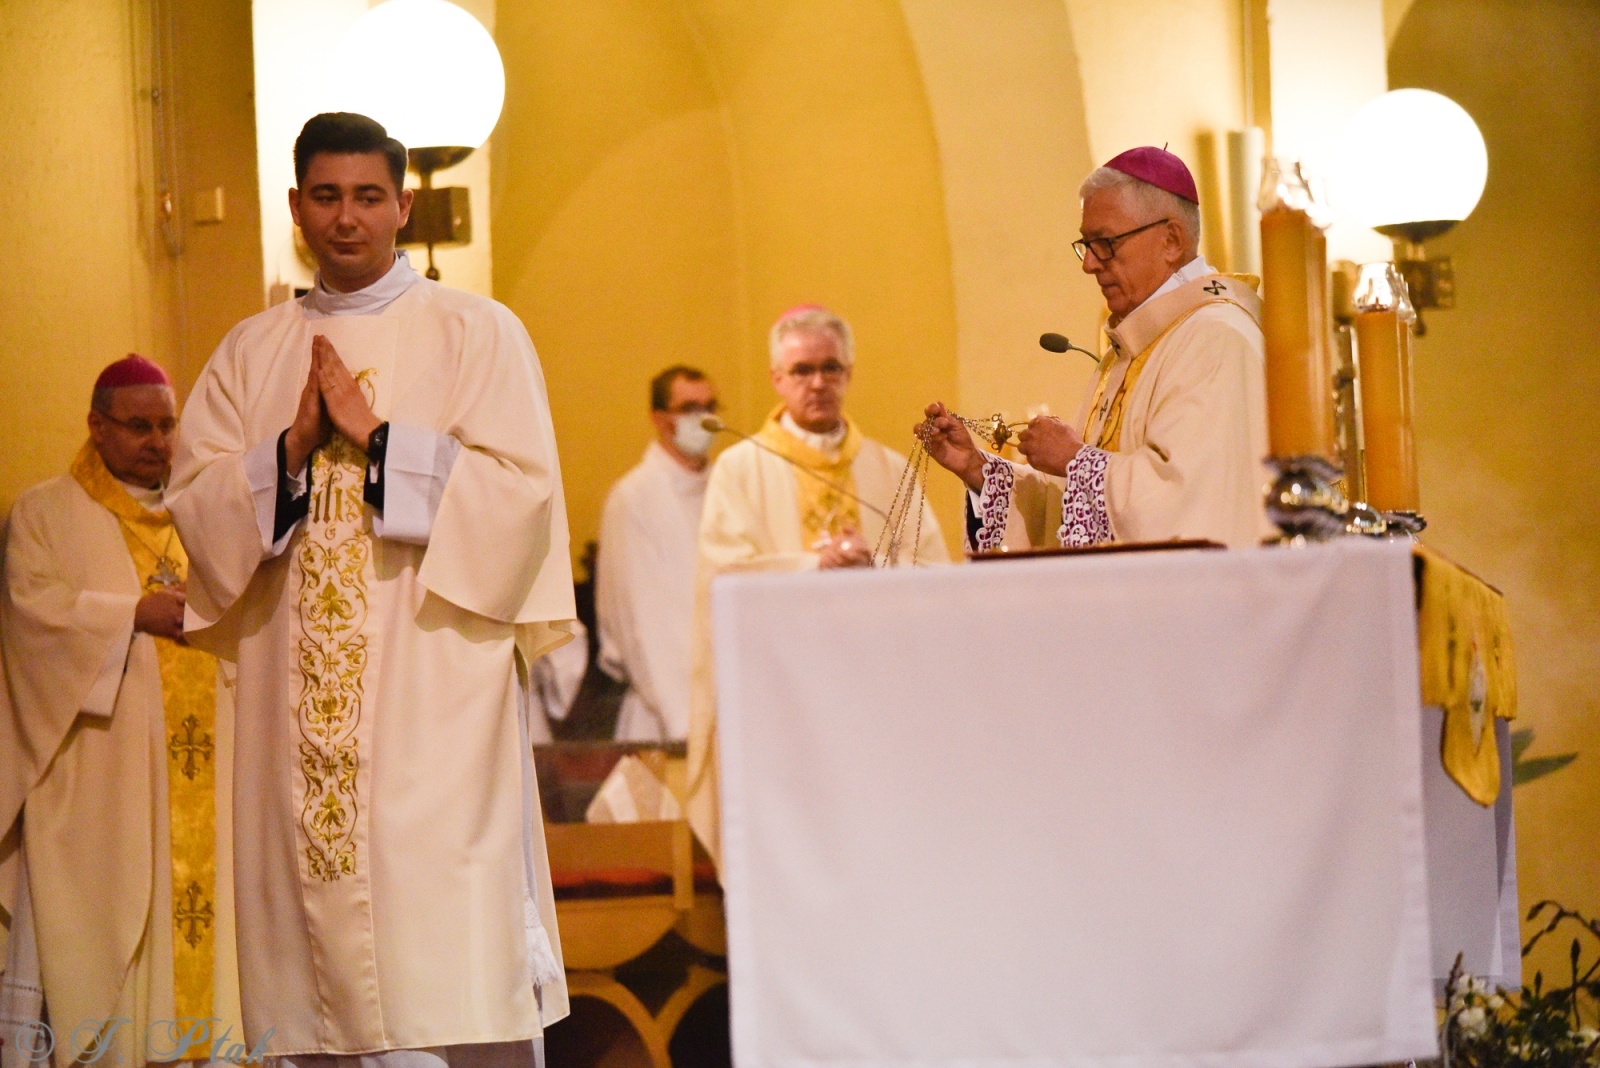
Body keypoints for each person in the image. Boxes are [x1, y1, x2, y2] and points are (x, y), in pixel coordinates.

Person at [166, 113, 574, 1063]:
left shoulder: (477, 332)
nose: (345, 218)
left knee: (432, 937)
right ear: (295, 204)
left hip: (432, 702)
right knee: (310, 984)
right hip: (289, 715)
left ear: (404, 205)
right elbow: (197, 505)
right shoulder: (250, 351)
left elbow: (523, 498)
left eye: (366, 197)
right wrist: (292, 449)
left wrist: (381, 440)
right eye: (325, 196)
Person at [0, 354, 240, 1066]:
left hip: (212, 784)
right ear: (97, 426)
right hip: (106, 791)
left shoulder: (203, 513)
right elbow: (30, 620)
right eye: (139, 426)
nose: (158, 443)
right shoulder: (46, 512)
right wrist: (130, 613)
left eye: (168, 426)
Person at [686, 305, 947, 868]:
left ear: (849, 373)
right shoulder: (740, 468)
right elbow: (723, 575)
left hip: (876, 702)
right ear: (777, 378)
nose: (818, 383)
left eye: (831, 368)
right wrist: (814, 567)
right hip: (781, 702)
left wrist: (875, 572)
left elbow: (933, 573)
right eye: (802, 370)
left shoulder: (889, 469)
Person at [922, 146, 1269, 550]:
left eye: (1106, 242)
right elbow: (1077, 514)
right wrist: (979, 470)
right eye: (1086, 244)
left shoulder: (1216, 339)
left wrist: (1074, 459)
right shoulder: (1128, 351)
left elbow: (1187, 505)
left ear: (1172, 240)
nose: (1089, 264)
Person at [596, 365, 718, 743]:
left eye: (710, 406)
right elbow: (639, 622)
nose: (704, 418)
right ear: (658, 418)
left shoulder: (727, 488)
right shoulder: (633, 499)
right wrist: (684, 721)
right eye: (690, 408)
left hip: (727, 698)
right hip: (664, 715)